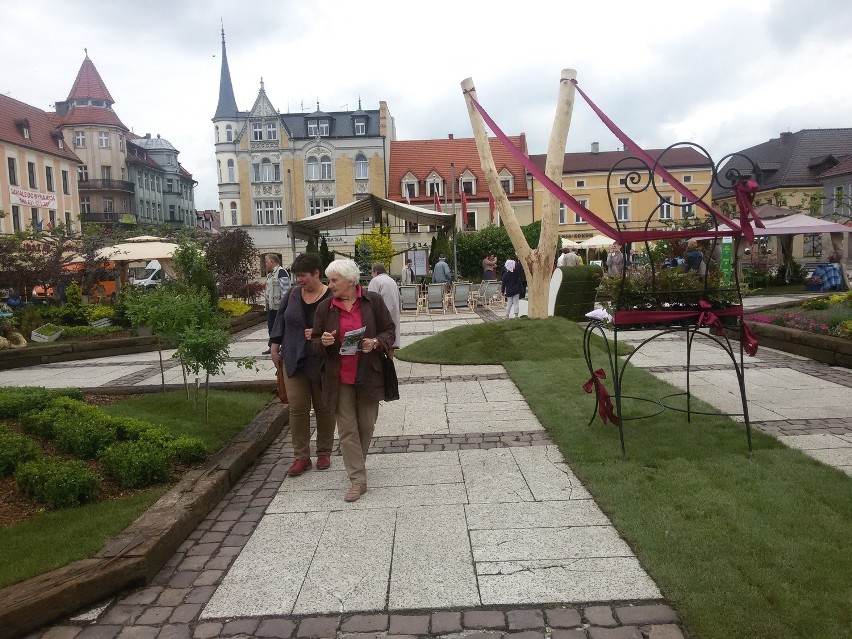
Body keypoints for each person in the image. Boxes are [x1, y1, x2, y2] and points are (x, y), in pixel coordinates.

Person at [312, 259, 396, 502]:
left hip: (369, 374)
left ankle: (356, 463)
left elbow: (389, 330)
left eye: (335, 280)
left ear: (350, 280)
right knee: (347, 430)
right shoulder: (325, 307)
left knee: (366, 425)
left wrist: (376, 342)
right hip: (338, 378)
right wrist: (324, 342)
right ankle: (358, 479)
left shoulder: (373, 301)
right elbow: (315, 342)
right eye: (329, 280)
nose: (330, 284)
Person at [269, 253, 335, 476]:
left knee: (324, 409)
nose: (300, 280)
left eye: (304, 276)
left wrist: (320, 333)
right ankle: (302, 457)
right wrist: (275, 345)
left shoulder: (332, 297)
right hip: (294, 358)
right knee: (297, 409)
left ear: (317, 273)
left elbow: (342, 326)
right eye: (297, 276)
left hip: (322, 360)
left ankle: (324, 452)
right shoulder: (293, 294)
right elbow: (280, 320)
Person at [368, 263, 401, 357]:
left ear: (375, 272)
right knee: (391, 339)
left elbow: (371, 298)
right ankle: (390, 362)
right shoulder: (391, 280)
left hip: (381, 314)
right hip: (393, 313)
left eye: (372, 272)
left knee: (380, 340)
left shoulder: (375, 281)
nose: (371, 274)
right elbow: (399, 298)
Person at [263, 254, 290, 355]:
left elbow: (285, 292)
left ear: (272, 261)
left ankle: (283, 347)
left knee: (281, 328)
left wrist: (284, 307)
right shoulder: (270, 274)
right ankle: (272, 347)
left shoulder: (281, 272)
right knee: (271, 327)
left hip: (279, 307)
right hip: (272, 307)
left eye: (266, 261)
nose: (266, 264)